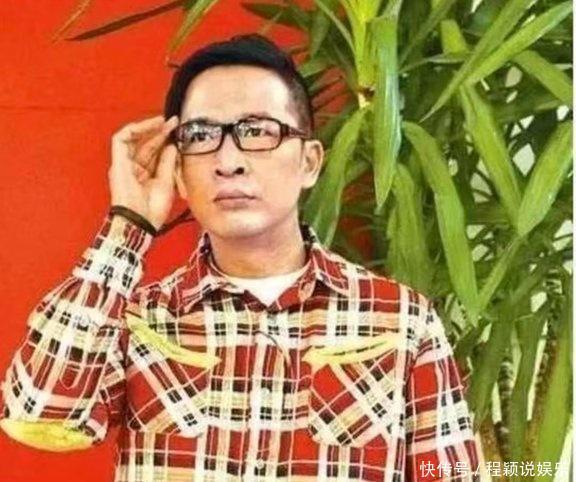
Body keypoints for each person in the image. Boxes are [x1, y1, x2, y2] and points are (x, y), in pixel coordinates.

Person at [0, 34, 480, 481]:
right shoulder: (138, 322)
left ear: (310, 162)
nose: (228, 161)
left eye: (257, 131)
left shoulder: (401, 321)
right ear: (178, 171)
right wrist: (129, 223)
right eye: (200, 136)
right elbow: (36, 412)